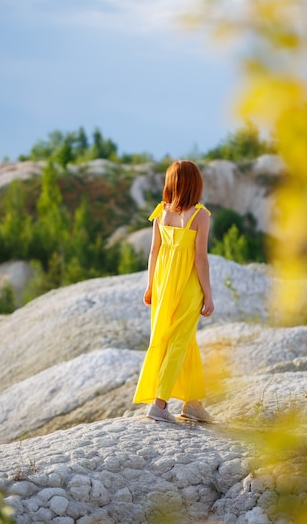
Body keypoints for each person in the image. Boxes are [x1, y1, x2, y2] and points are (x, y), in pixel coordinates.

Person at [133, 159, 214, 423]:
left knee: (181, 340)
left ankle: (192, 403)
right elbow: (200, 259)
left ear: (171, 183)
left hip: (164, 285)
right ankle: (159, 404)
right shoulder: (201, 215)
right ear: (195, 184)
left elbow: (154, 251)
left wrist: (150, 284)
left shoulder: (161, 212)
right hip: (188, 287)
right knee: (179, 342)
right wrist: (208, 295)